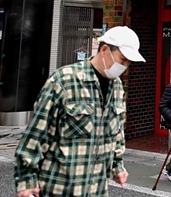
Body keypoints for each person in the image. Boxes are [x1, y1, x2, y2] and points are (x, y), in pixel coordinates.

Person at [15, 26, 146, 197]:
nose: (125, 66)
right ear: (105, 50)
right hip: (60, 187)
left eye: (129, 62)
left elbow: (117, 132)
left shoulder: (117, 86)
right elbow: (36, 135)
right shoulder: (64, 80)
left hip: (97, 188)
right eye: (122, 60)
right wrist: (26, 181)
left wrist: (117, 165)